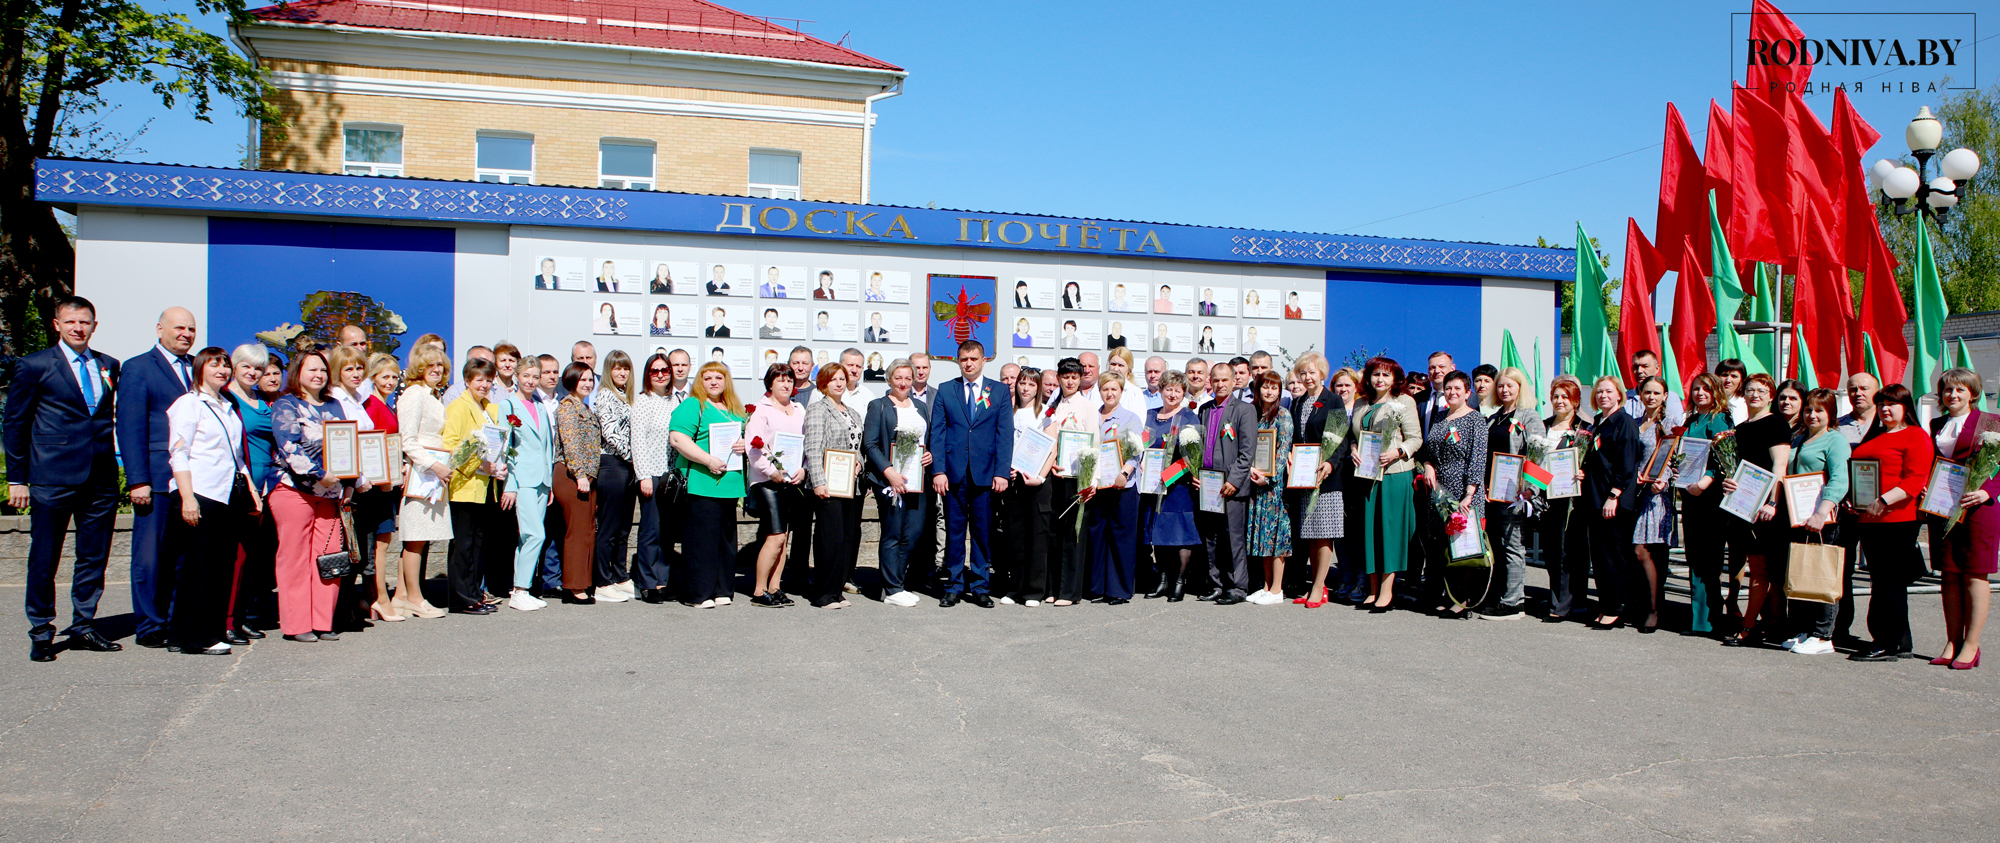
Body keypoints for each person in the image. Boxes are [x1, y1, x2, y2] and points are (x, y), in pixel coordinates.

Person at [6, 296, 124, 661]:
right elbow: (15, 423)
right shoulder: (34, 365)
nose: (78, 328)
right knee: (45, 557)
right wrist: (17, 478)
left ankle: (83, 625)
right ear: (57, 325)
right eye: (71, 321)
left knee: (93, 556)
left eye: (84, 322)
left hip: (100, 477)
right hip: (52, 476)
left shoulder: (108, 365)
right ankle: (41, 630)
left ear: (94, 326)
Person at [163, 347, 261, 654]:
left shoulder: (227, 405)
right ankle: (198, 638)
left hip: (225, 496)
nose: (222, 370)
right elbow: (179, 452)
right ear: (199, 369)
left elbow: (237, 456)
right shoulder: (189, 403)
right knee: (200, 569)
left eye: (225, 365)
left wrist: (252, 490)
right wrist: (187, 497)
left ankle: (186, 634)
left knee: (218, 568)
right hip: (200, 494)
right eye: (214, 364)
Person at [117, 305, 200, 648]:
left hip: (192, 477)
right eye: (179, 328)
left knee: (181, 554)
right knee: (150, 556)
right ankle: (149, 624)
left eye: (190, 329)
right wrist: (138, 480)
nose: (185, 334)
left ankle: (174, 618)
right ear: (160, 329)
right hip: (155, 476)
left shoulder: (197, 367)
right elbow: (129, 426)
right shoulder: (138, 368)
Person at [270, 350, 365, 641]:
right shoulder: (286, 404)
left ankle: (323, 621)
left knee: (329, 557)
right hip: (294, 490)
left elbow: (347, 446)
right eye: (312, 369)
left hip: (332, 494)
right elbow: (289, 446)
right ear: (297, 372)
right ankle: (297, 625)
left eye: (323, 370)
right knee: (295, 558)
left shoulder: (334, 405)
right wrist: (319, 473)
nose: (318, 375)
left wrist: (350, 483)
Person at [1848, 384, 1931, 661]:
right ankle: (1900, 641)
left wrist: (1884, 500)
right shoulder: (1876, 435)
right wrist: (1852, 498)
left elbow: (1915, 479)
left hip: (1897, 519)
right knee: (1882, 581)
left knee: (1888, 583)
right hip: (1868, 518)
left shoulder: (1915, 435)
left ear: (1906, 407)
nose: (1885, 409)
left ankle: (1886, 642)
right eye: (1882, 404)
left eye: (1892, 404)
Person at [929, 340, 1013, 608]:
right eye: (964, 359)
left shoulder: (999, 391)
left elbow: (1004, 434)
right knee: (954, 532)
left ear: (983, 360)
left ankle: (979, 586)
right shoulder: (946, 390)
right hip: (953, 475)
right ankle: (953, 585)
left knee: (981, 532)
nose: (968, 364)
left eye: (973, 359)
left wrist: (1002, 472)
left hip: (985, 474)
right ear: (958, 360)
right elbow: (937, 433)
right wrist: (938, 470)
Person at [1927, 368, 2000, 669]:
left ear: (1972, 393)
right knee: (1949, 573)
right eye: (1947, 389)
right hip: (1943, 506)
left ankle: (1971, 644)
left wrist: (1988, 491)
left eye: (1960, 389)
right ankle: (1952, 641)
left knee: (1975, 574)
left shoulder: (1991, 422)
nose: (1953, 395)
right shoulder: (1936, 423)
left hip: (1978, 507)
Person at [1719, 374, 1793, 646]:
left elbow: (1779, 466)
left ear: (1771, 395)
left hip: (1766, 509)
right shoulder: (1740, 428)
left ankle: (1750, 626)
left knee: (1762, 570)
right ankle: (1764, 624)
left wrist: (1773, 502)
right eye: (1750, 390)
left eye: (1762, 391)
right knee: (1756, 567)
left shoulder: (1776, 424)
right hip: (1743, 507)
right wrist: (1729, 483)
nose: (1755, 395)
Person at [669, 361, 749, 608]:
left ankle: (722, 589)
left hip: (729, 485)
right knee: (701, 541)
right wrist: (708, 460)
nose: (714, 382)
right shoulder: (694, 405)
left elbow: (743, 438)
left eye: (719, 377)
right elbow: (678, 439)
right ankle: (698, 593)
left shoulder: (734, 408)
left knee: (725, 541)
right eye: (708, 378)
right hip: (702, 483)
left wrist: (744, 443)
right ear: (700, 382)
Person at [1780, 387, 1850, 655]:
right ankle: (1802, 629)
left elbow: (1839, 479)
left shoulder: (1835, 440)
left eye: (1819, 410)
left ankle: (1823, 635)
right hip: (1798, 517)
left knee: (1822, 573)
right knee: (1800, 570)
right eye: (1808, 409)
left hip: (1823, 518)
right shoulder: (1799, 438)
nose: (1812, 415)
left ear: (1831, 413)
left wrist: (1822, 512)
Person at [1473, 366, 1544, 619]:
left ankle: (1514, 602)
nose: (1504, 390)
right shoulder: (1494, 418)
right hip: (1492, 494)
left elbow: (1540, 455)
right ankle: (1496, 596)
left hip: (1515, 495)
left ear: (1520, 388)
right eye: (1501, 385)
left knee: (1513, 547)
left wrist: (1530, 490)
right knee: (1496, 547)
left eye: (1510, 385)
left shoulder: (1529, 416)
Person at [1353, 357, 1421, 612]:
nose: (1380, 379)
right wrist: (1353, 449)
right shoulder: (1361, 403)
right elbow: (1354, 435)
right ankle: (1372, 590)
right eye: (1376, 374)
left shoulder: (1404, 401)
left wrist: (1397, 452)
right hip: (1367, 475)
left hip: (1394, 474)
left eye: (1386, 375)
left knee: (1389, 533)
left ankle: (1386, 591)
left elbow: (1415, 439)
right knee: (1370, 532)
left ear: (1395, 379)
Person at [1417, 370, 1487, 617]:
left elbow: (1478, 459)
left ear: (1468, 392)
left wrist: (1469, 494)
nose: (1452, 392)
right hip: (1439, 492)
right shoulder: (1439, 417)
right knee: (1438, 546)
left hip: (1463, 492)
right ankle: (1441, 595)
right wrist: (1427, 466)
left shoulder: (1476, 420)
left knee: (1462, 548)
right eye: (1448, 388)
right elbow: (1427, 451)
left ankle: (1461, 599)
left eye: (1458, 388)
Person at [225, 345, 283, 641]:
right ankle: (226, 621)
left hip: (266, 488)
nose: (253, 372)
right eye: (246, 366)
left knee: (252, 557)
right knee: (233, 557)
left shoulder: (263, 401)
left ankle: (240, 616)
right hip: (238, 488)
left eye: (258, 368)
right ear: (234, 366)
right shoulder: (226, 399)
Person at [392, 343, 452, 620]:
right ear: (419, 366)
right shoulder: (414, 394)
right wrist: (433, 465)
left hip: (433, 474)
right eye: (430, 364)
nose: (436, 369)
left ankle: (401, 596)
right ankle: (415, 598)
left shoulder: (433, 395)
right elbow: (407, 440)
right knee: (415, 538)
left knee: (421, 538)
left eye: (440, 365)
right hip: (422, 473)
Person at [1581, 375, 1642, 630]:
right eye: (1599, 392)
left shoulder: (1624, 422)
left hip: (1613, 500)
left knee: (1614, 558)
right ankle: (1606, 605)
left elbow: (1627, 463)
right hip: (1595, 498)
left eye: (1608, 391)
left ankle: (1616, 609)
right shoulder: (1598, 422)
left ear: (1619, 395)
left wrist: (1614, 495)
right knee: (1600, 558)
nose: (1603, 396)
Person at [494, 356, 555, 612]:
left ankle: (521, 589)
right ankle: (520, 590)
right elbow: (504, 448)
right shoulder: (507, 405)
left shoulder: (540, 406)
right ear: (517, 376)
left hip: (541, 480)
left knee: (527, 537)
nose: (530, 381)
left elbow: (547, 446)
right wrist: (510, 484)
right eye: (526, 376)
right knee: (535, 534)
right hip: (522, 479)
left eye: (535, 376)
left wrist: (549, 483)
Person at [744, 364, 806, 607]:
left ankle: (775, 587)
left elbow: (805, 444)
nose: (786, 384)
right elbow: (753, 447)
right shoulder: (761, 410)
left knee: (784, 537)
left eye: (789, 380)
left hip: (791, 480)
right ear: (770, 384)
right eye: (780, 380)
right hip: (766, 481)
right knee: (776, 536)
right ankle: (759, 591)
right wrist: (771, 471)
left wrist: (804, 468)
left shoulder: (798, 409)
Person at [1199, 359, 1259, 605]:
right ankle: (1216, 583)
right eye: (1216, 380)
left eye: (1225, 380)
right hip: (1208, 485)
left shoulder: (1245, 410)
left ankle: (1237, 587)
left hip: (1232, 487)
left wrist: (1234, 480)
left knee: (1233, 539)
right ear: (1210, 382)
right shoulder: (1205, 409)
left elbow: (1247, 452)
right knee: (1211, 538)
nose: (1220, 384)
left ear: (1234, 382)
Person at [1677, 374, 1733, 635]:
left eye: (1706, 389)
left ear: (1716, 392)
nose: (1700, 393)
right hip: (1691, 496)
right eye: (1696, 388)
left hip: (1710, 499)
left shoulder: (1719, 419)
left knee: (1708, 560)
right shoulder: (1691, 421)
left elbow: (1724, 460)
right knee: (1695, 557)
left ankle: (1711, 620)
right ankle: (1699, 620)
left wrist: (1705, 481)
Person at [1287, 356, 1345, 608]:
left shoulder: (1334, 400)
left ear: (1322, 373)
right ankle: (1315, 587)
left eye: (1312, 372)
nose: (1307, 377)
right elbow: (1295, 437)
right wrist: (1290, 455)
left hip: (1326, 477)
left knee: (1324, 534)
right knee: (1310, 534)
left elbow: (1341, 438)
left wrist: (1331, 463)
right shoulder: (1298, 402)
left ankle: (1320, 586)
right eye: (1303, 373)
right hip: (1303, 477)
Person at [551, 362, 610, 604]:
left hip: (586, 476)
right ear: (571, 381)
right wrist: (580, 474)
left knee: (586, 530)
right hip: (572, 475)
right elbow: (571, 442)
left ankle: (583, 583)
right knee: (577, 532)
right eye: (582, 379)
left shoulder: (584, 407)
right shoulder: (568, 407)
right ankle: (574, 587)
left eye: (589, 379)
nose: (587, 383)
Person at [629, 352, 687, 603]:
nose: (661, 375)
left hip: (671, 476)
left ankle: (663, 580)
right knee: (651, 530)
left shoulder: (677, 401)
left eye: (665, 370)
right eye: (655, 371)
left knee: (668, 531)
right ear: (648, 375)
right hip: (651, 474)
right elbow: (637, 442)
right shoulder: (643, 402)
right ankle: (647, 583)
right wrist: (643, 475)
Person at [1081, 373, 1143, 603]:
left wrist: (1124, 473)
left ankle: (1119, 590)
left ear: (1121, 391)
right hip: (1098, 486)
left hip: (1121, 486)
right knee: (1097, 536)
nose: (1109, 393)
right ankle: (1097, 588)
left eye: (1114, 389)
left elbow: (1136, 450)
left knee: (1121, 538)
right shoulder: (1093, 415)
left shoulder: (1130, 418)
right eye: (1105, 389)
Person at [354, 352, 406, 622]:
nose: (390, 381)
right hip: (374, 486)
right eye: (385, 376)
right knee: (376, 543)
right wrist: (383, 477)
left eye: (395, 377)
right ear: (373, 377)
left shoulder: (385, 405)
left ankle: (372, 598)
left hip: (387, 483)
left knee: (384, 540)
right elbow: (368, 446)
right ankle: (377, 597)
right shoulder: (371, 405)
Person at [1538, 376, 1594, 622]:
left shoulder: (1585, 429)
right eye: (1556, 396)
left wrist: (1584, 472)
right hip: (1546, 497)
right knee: (1551, 551)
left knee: (1572, 551)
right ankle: (1558, 598)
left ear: (1576, 401)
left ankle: (1567, 604)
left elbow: (1594, 462)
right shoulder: (1543, 426)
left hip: (1573, 499)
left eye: (1565, 397)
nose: (1560, 401)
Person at [1141, 372, 1200, 602]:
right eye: (1168, 389)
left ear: (1183, 393)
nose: (1172, 394)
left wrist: (1168, 475)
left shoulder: (1189, 417)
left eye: (1177, 390)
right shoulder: (1149, 415)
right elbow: (1141, 446)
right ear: (1161, 390)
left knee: (1181, 536)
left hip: (1178, 487)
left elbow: (1192, 456)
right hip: (1153, 486)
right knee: (1159, 533)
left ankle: (1179, 582)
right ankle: (1163, 580)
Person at [1626, 376, 1678, 633]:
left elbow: (1675, 459)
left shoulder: (1669, 424)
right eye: (1647, 392)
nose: (1651, 397)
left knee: (1644, 551)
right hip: (1635, 493)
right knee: (1638, 554)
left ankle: (1654, 611)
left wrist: (1664, 481)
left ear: (1665, 396)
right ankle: (1643, 604)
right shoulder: (1635, 423)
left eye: (1657, 393)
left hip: (1657, 495)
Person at [999, 367, 1052, 606]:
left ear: (1038, 388)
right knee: (1015, 537)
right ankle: (1015, 588)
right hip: (1013, 481)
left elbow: (1052, 449)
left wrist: (1040, 476)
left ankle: (1034, 591)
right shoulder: (1007, 412)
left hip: (1036, 483)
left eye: (1031, 384)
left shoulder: (1046, 414)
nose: (1025, 388)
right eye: (1022, 383)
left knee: (1037, 538)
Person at [1241, 372, 1294, 605]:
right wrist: (1251, 470)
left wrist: (1270, 478)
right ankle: (1265, 586)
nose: (1269, 392)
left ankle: (1277, 589)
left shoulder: (1283, 415)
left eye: (1275, 388)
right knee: (1261, 536)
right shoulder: (1251, 413)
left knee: (1276, 537)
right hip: (1254, 482)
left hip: (1274, 488)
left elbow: (1283, 451)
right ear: (1257, 388)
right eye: (1265, 387)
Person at [590, 351, 640, 600]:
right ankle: (602, 581)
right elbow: (610, 433)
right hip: (612, 464)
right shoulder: (605, 396)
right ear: (608, 371)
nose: (622, 373)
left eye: (626, 368)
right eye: (617, 368)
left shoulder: (625, 396)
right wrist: (633, 456)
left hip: (628, 466)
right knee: (609, 527)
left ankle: (619, 576)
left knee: (623, 528)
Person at [1623, 350, 1686, 426]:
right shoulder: (1624, 397)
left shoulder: (1670, 397)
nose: (1639, 371)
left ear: (1657, 368)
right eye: (1636, 367)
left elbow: (1675, 428)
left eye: (1645, 366)